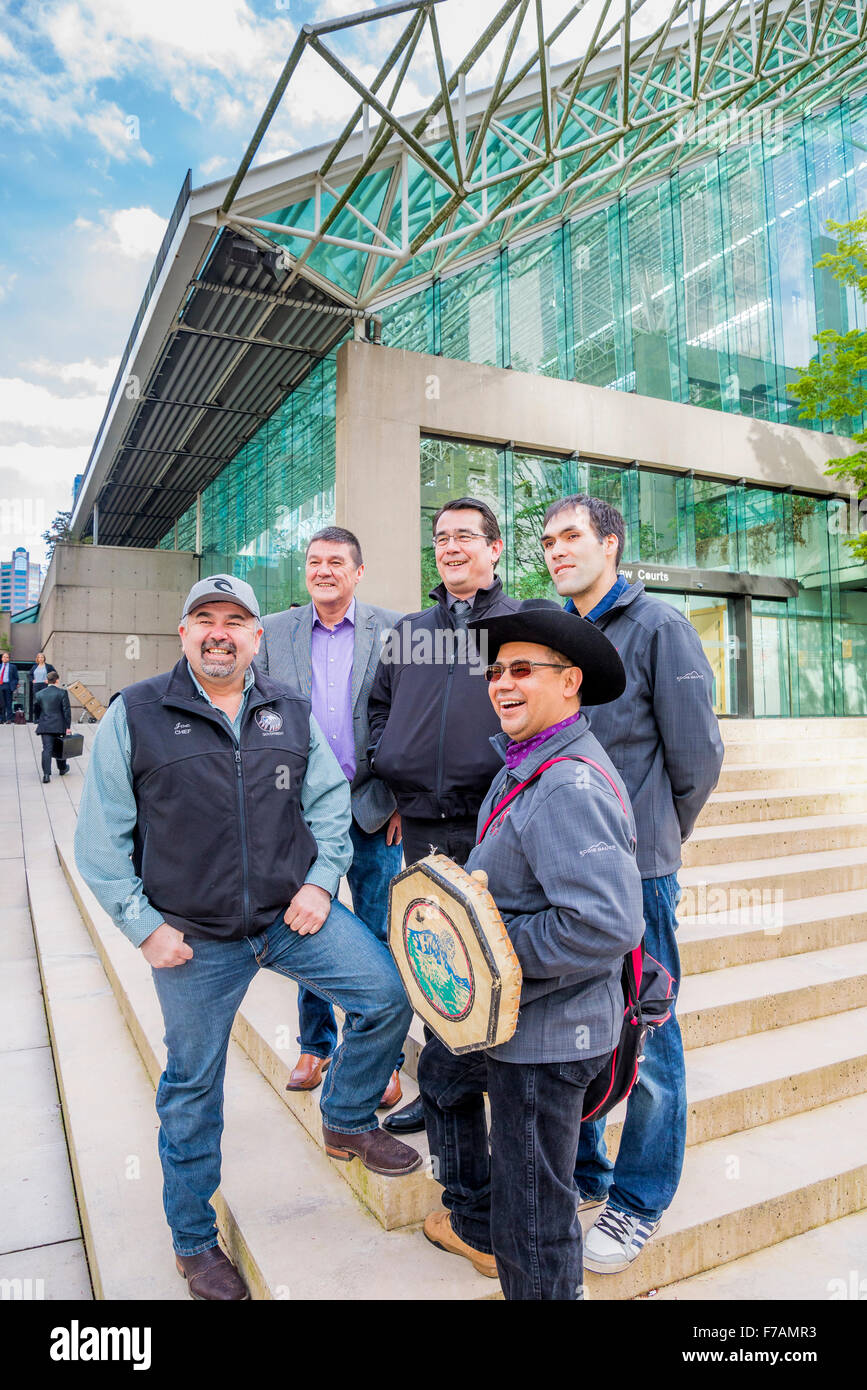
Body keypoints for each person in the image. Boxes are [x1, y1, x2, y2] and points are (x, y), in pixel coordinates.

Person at [74, 574, 420, 1302]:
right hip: (192, 941)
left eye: (237, 620)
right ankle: (194, 1241)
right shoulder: (135, 714)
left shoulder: (289, 713)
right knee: (192, 1090)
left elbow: (329, 808)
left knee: (386, 994)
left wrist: (321, 882)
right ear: (184, 633)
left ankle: (347, 1116)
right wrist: (144, 929)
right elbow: (100, 842)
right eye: (206, 619)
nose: (220, 632)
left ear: (259, 637)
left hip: (287, 921)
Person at [418, 603, 644, 1300]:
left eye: (522, 669)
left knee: (535, 1221)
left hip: (543, 1041)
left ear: (569, 681)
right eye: (495, 671)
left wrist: (478, 953)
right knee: (442, 1076)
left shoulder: (565, 783)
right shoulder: (527, 759)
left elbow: (605, 924)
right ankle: (472, 1217)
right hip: (513, 1017)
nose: (501, 683)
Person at [540, 494, 724, 1274]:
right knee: (576, 1028)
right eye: (547, 541)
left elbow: (697, 757)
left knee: (648, 1041)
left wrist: (654, 840)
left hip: (638, 878)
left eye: (571, 536)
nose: (556, 550)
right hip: (561, 873)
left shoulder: (659, 628)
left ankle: (638, 1201)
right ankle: (587, 1174)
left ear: (611, 542)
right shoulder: (554, 637)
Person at [366, 497, 527, 1135]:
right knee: (437, 956)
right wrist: (389, 760)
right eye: (441, 537)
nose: (451, 546)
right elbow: (376, 706)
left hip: (496, 823)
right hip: (423, 828)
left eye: (465, 535)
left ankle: (499, 1089)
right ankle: (440, 1095)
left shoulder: (522, 624)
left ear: (493, 549)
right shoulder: (410, 631)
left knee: (496, 956)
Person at [257, 527, 404, 1104]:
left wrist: (403, 801)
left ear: (358, 571)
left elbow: (410, 720)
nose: (324, 570)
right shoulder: (272, 632)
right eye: (315, 561)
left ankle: (379, 1060)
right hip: (299, 814)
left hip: (372, 808)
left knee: (374, 934)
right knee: (307, 927)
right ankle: (314, 1045)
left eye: (336, 561)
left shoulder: (394, 631)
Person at [34, 671, 72, 781]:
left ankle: (46, 775)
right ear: (57, 680)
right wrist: (68, 727)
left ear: (47, 680)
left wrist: (40, 719)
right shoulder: (62, 693)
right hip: (59, 725)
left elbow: (37, 710)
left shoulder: (39, 694)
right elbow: (66, 711)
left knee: (47, 749)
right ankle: (62, 768)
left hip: (45, 725)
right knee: (61, 747)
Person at [29, 651, 57, 721]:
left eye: (42, 657)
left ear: (44, 658)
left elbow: (54, 674)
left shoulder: (48, 666)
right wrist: (32, 680)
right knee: (37, 702)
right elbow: (30, 675)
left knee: (45, 702)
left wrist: (49, 680)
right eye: (39, 657)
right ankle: (36, 718)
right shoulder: (34, 667)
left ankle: (45, 718)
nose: (40, 659)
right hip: (36, 686)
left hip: (44, 685)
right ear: (37, 659)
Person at [0, 651, 19, 724]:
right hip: (0, 685)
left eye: (7, 657)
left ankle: (9, 719)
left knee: (8, 703)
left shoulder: (13, 667)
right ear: (2, 658)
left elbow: (16, 678)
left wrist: (14, 685)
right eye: (4, 657)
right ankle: (1, 719)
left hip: (8, 685)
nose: (5, 658)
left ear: (9, 659)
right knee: (1, 703)